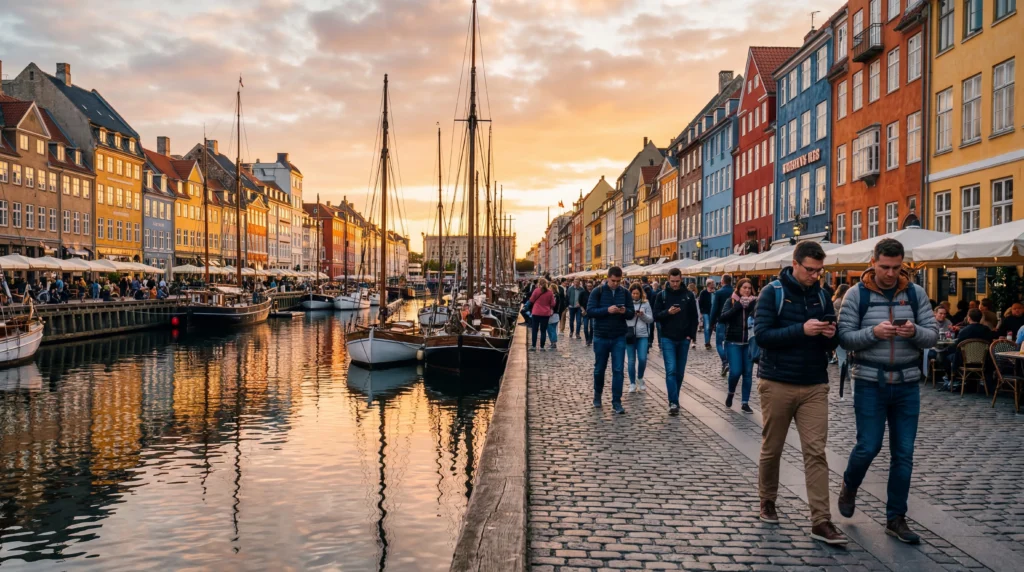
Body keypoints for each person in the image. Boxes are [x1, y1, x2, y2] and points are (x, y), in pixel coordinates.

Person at [836, 238, 938, 545]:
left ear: (902, 264)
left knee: (903, 454)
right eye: (884, 267)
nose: (890, 273)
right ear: (873, 261)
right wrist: (874, 332)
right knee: (868, 446)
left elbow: (932, 335)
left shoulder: (916, 294)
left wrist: (914, 332)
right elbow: (844, 338)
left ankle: (896, 518)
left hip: (907, 383)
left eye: (896, 267)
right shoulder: (857, 295)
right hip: (869, 380)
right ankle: (850, 485)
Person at [753, 241, 846, 545]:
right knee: (773, 448)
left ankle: (821, 520)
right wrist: (801, 330)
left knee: (816, 452)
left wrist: (831, 337)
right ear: (795, 263)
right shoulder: (772, 293)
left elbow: (826, 343)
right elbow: (763, 337)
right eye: (810, 270)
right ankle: (767, 500)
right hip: (778, 381)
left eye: (820, 271)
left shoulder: (821, 295)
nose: (815, 276)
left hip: (814, 384)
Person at [586, 266, 635, 414]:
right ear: (608, 278)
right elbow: (590, 311)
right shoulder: (598, 291)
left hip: (619, 336)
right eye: (613, 281)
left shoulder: (625, 293)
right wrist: (607, 310)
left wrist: (624, 311)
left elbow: (631, 313)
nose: (615, 284)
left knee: (618, 370)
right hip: (601, 336)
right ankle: (597, 395)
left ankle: (616, 401)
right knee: (599, 369)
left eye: (618, 281)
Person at [653, 268, 699, 415]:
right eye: (672, 281)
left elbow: (694, 317)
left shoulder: (689, 295)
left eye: (677, 281)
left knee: (679, 373)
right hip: (667, 338)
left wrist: (690, 336)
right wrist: (667, 312)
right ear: (668, 279)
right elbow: (655, 315)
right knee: (671, 370)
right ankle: (673, 402)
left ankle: (675, 399)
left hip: (684, 338)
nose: (674, 284)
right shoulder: (662, 295)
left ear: (681, 279)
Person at [720, 278, 758, 413]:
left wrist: (753, 308)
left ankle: (745, 402)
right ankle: (731, 393)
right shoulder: (731, 301)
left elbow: (760, 318)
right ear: (739, 288)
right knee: (735, 372)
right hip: (733, 342)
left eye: (749, 288)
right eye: (744, 288)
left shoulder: (755, 302)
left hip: (749, 343)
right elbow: (722, 317)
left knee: (747, 373)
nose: (747, 290)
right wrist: (737, 307)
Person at [625, 284, 654, 393]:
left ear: (640, 294)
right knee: (631, 361)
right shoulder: (627, 304)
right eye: (633, 293)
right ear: (630, 293)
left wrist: (642, 315)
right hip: (630, 335)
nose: (635, 295)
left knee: (642, 359)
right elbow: (623, 317)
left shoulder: (645, 303)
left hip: (642, 335)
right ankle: (632, 383)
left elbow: (651, 320)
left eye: (637, 293)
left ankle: (640, 378)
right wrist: (630, 314)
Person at [710, 275, 734, 377]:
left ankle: (725, 362)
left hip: (721, 321)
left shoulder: (719, 292)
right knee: (729, 343)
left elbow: (714, 308)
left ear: (722, 281)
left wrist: (711, 322)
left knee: (719, 343)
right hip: (732, 321)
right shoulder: (735, 291)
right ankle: (726, 364)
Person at [832, 284, 852, 398]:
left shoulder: (837, 301)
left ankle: (844, 374)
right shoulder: (841, 302)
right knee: (843, 356)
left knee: (843, 356)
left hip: (839, 332)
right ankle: (844, 374)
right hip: (840, 332)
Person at [528, 278, 555, 351]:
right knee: (543, 331)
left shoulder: (536, 290)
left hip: (536, 312)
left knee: (535, 330)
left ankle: (533, 346)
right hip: (545, 313)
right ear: (547, 284)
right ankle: (542, 347)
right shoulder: (550, 292)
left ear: (539, 283)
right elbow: (553, 303)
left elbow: (531, 300)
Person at [547, 281, 564, 350]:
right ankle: (553, 342)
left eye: (550, 288)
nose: (549, 289)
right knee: (552, 328)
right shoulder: (557, 295)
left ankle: (553, 342)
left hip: (552, 314)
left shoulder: (554, 296)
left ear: (553, 289)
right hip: (556, 314)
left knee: (551, 329)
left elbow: (553, 305)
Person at [699, 279, 715, 349]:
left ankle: (708, 340)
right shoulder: (703, 292)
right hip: (705, 312)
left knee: (711, 327)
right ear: (708, 284)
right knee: (707, 327)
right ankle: (707, 342)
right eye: (712, 283)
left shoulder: (715, 292)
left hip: (713, 312)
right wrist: (701, 311)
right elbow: (700, 302)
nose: (713, 284)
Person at [579, 281, 594, 346]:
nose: (589, 287)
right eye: (588, 286)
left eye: (590, 286)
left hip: (592, 312)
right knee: (585, 327)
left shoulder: (594, 293)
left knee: (592, 327)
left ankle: (590, 340)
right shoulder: (583, 293)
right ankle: (587, 339)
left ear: (592, 286)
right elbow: (580, 303)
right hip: (585, 312)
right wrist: (582, 310)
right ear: (586, 286)